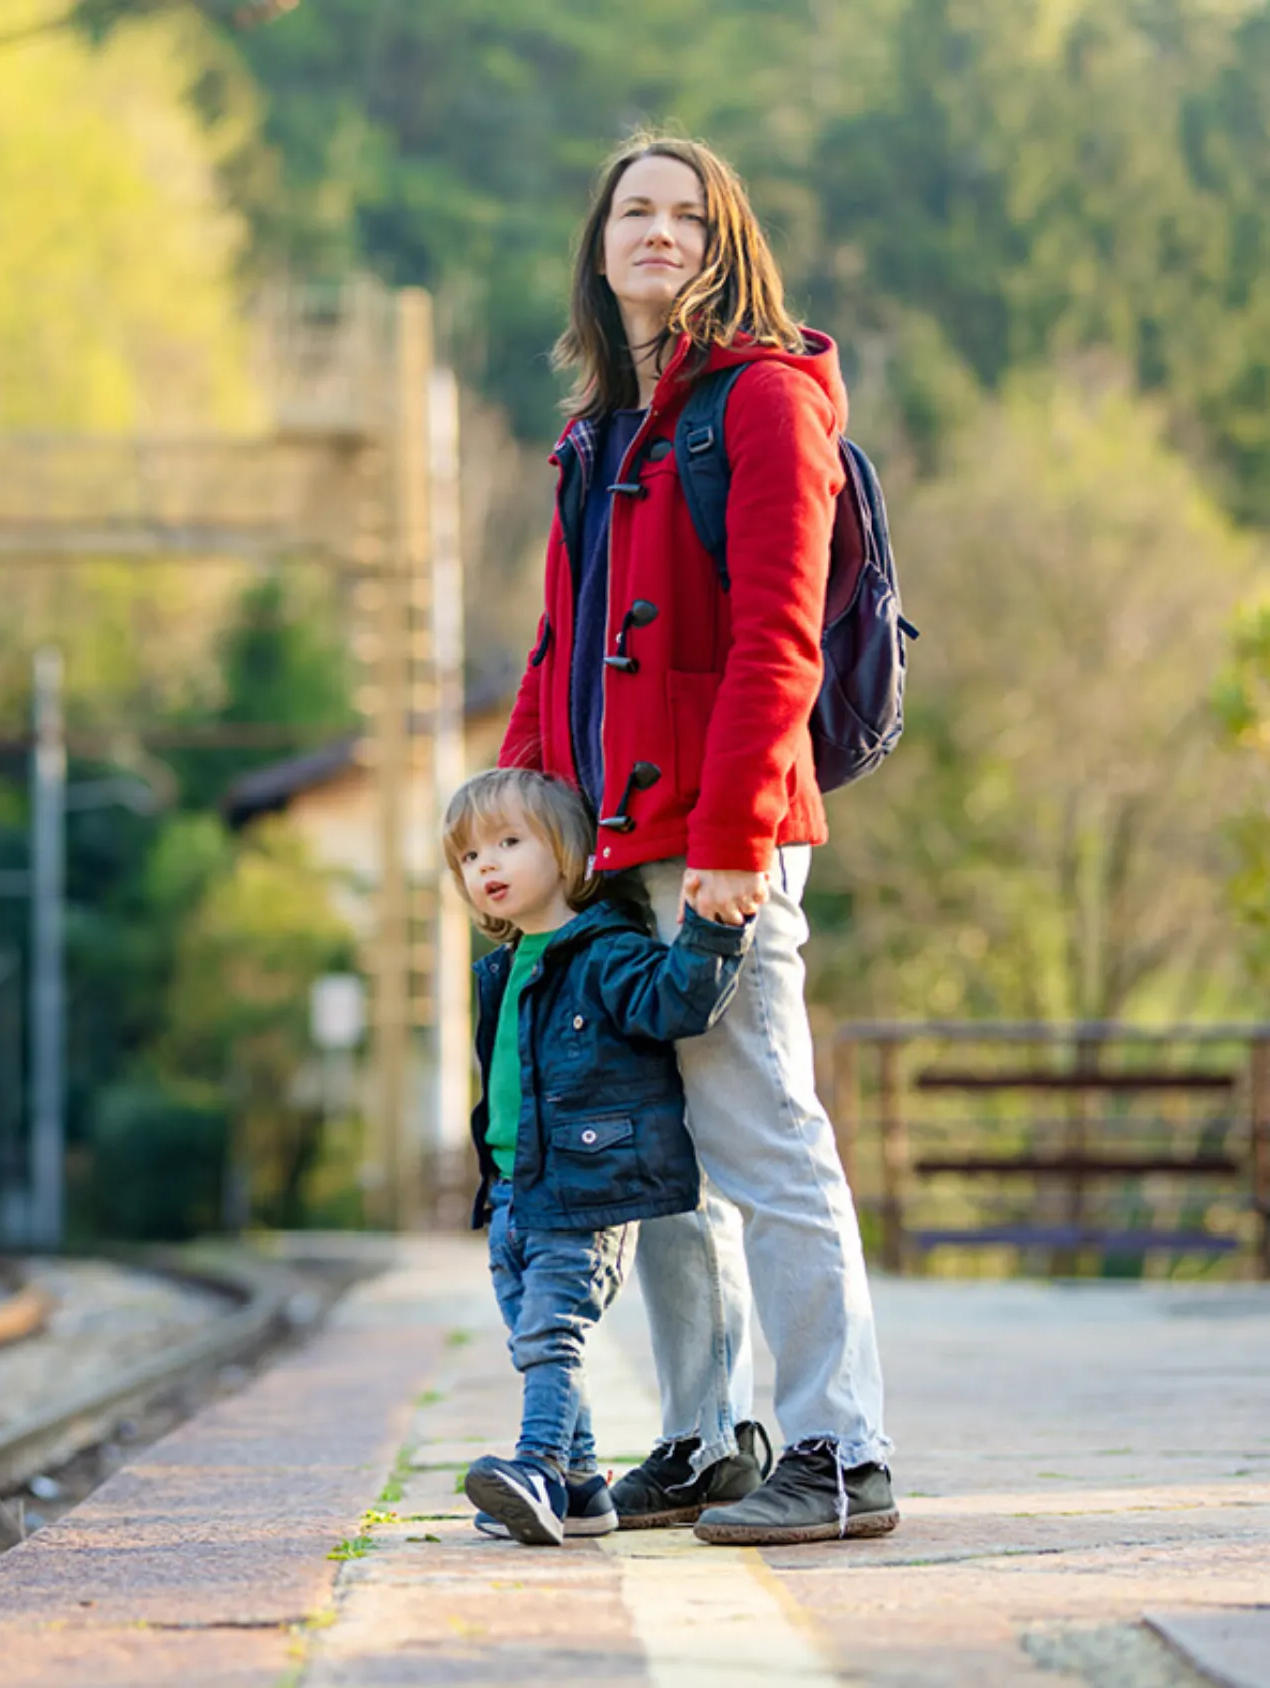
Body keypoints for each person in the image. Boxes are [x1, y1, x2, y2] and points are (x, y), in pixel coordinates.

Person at [498, 130, 899, 1545]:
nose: (657, 232)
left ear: (724, 243)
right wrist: (511, 822)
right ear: (600, 246)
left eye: (685, 213)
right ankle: (710, 1437)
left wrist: (734, 838)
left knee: (761, 1133)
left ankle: (842, 1451)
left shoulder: (768, 405)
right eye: (634, 212)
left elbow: (776, 641)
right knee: (658, 1159)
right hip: (607, 850)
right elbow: (557, 655)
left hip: (718, 840)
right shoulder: (598, 427)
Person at [444, 768, 752, 1546]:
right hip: (517, 1191)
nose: (487, 866)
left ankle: (540, 1464)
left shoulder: (603, 951)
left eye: (509, 844)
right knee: (532, 1338)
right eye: (470, 856)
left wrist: (715, 928)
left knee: (554, 1335)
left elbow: (674, 1002)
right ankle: (582, 1492)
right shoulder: (503, 966)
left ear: (569, 853)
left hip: (588, 1188)